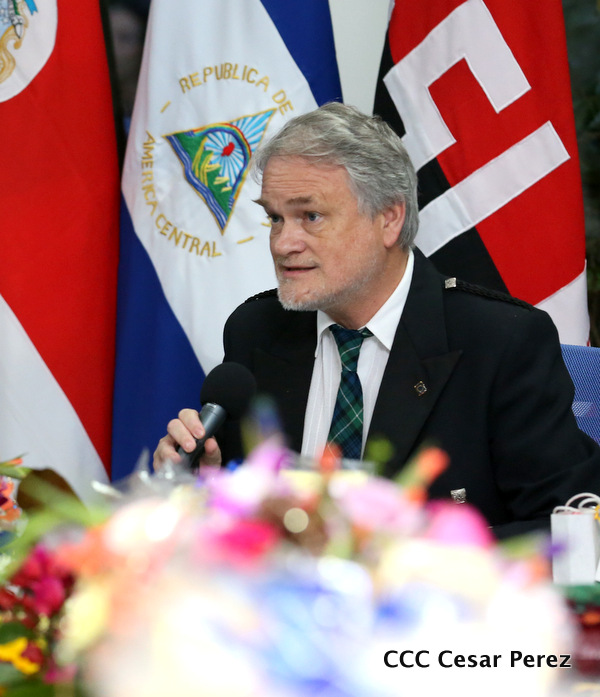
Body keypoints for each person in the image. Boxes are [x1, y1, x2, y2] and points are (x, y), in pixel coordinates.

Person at [154, 102, 600, 538]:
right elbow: (253, 518)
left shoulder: (500, 341)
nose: (283, 243)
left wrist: (416, 559)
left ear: (389, 219)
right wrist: (205, 485)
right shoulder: (256, 330)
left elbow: (569, 526)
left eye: (310, 216)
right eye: (275, 218)